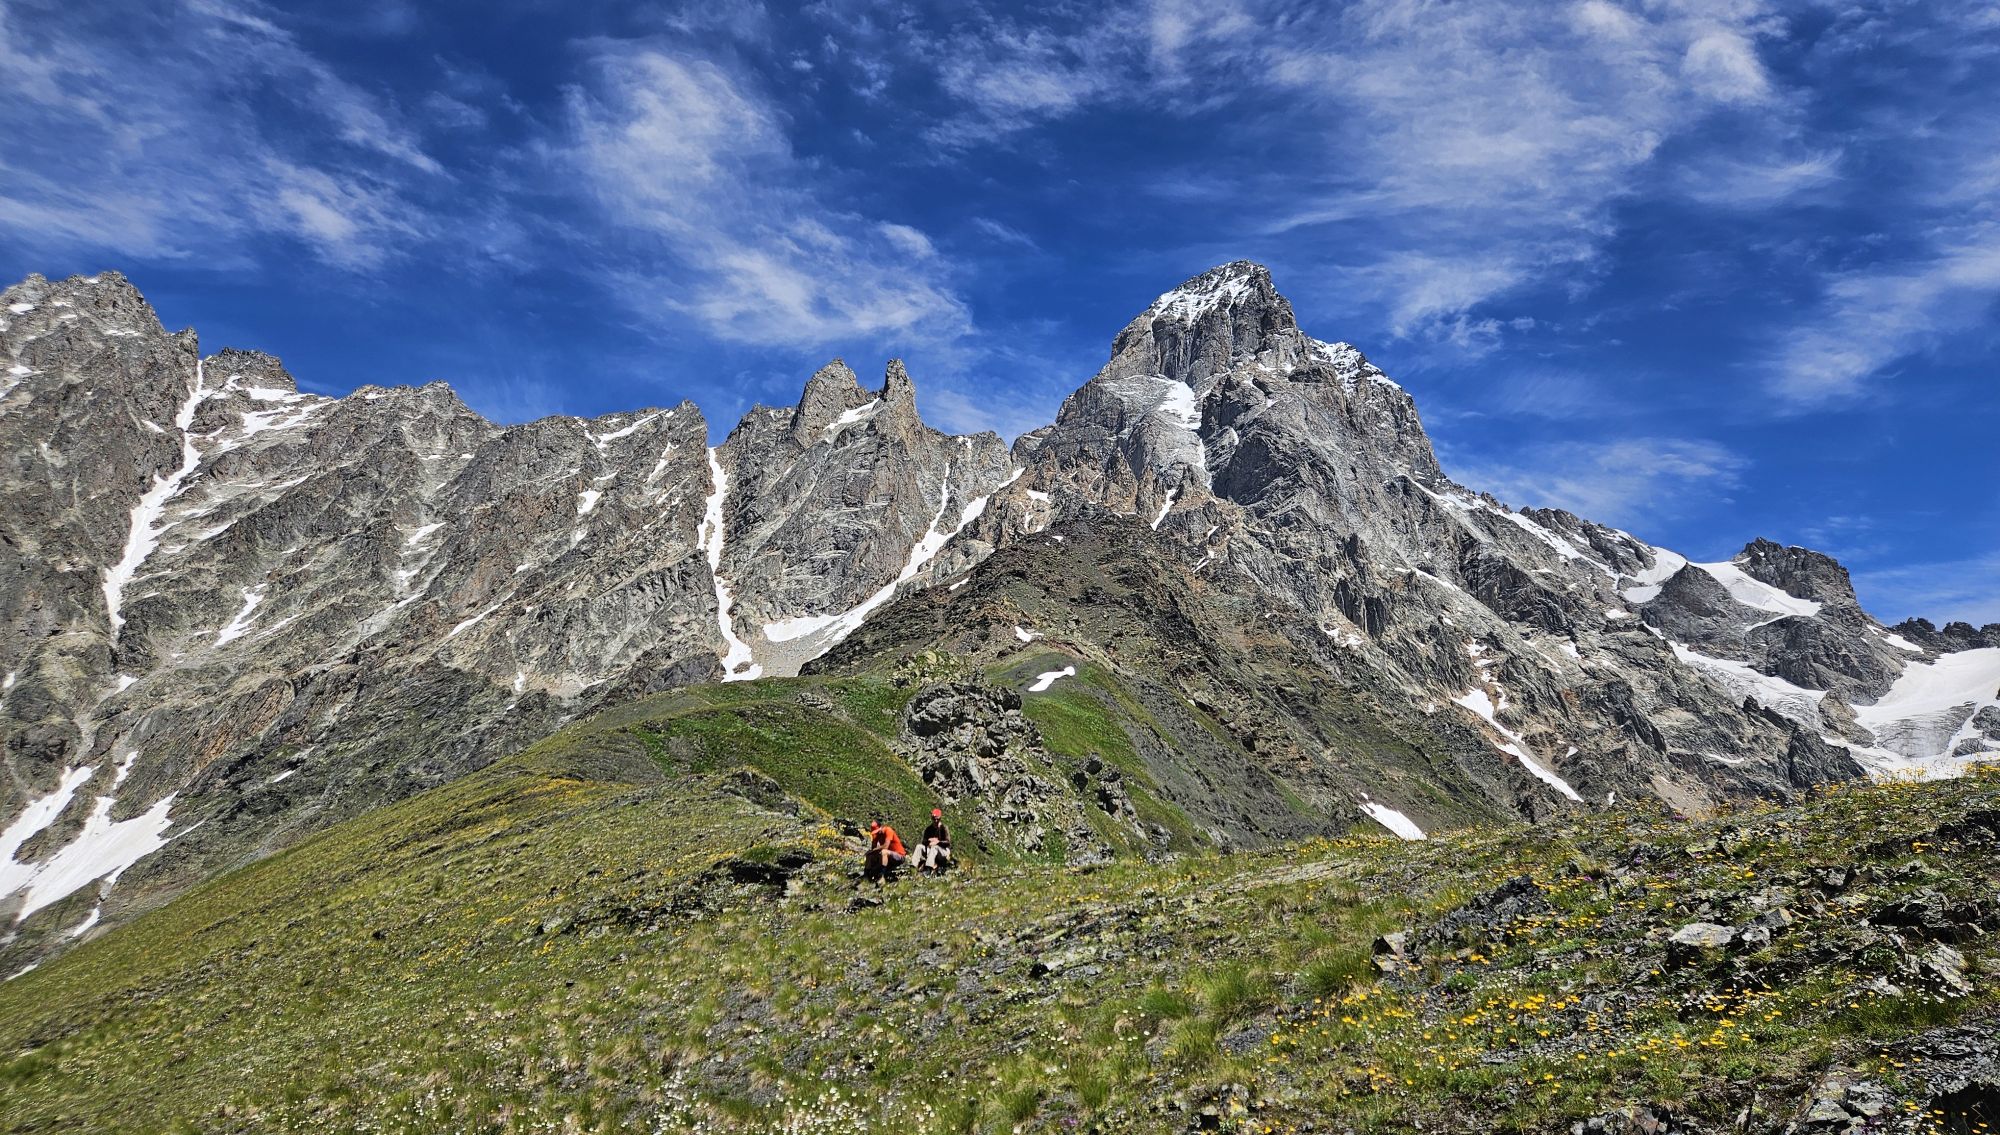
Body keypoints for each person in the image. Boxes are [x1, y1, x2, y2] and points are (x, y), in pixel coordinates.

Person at [912, 807, 952, 874]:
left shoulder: (944, 828)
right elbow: (924, 841)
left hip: (942, 851)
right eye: (934, 819)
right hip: (930, 850)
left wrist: (938, 842)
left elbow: (948, 842)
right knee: (919, 846)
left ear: (940, 819)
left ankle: (928, 868)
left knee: (935, 847)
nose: (936, 821)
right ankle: (913, 865)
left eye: (937, 819)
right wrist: (929, 842)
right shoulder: (928, 829)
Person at [864, 819, 905, 883]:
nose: (876, 833)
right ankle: (866, 875)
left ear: (881, 827)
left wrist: (874, 850)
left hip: (899, 856)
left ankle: (881, 876)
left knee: (884, 851)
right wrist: (871, 852)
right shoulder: (876, 835)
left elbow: (886, 846)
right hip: (887, 858)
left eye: (877, 831)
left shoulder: (888, 830)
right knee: (869, 855)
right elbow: (874, 848)